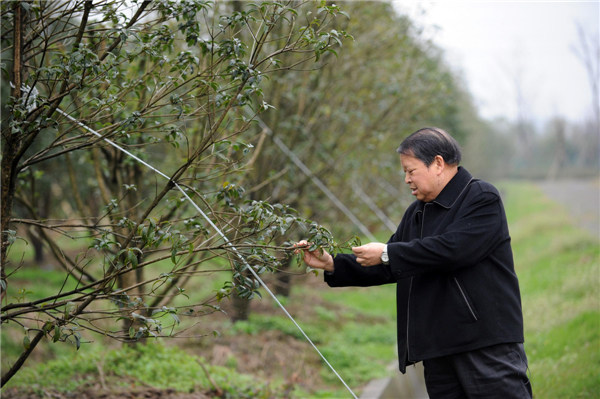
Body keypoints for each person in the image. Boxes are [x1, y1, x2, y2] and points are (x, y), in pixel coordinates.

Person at [296, 127, 532, 399]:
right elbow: (392, 263)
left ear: (438, 164)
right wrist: (333, 264)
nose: (406, 179)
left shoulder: (480, 197)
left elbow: (452, 250)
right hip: (437, 350)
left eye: (411, 171)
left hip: (484, 345)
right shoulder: (417, 212)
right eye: (404, 172)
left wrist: (388, 252)